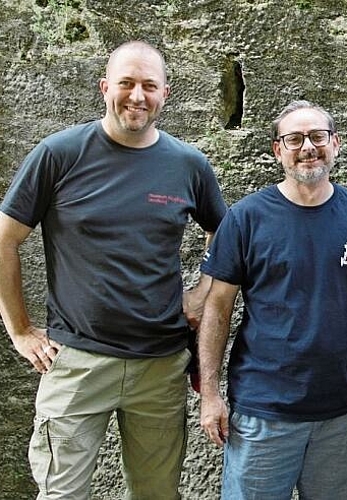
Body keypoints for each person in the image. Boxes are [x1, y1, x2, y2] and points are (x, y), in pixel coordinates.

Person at [0, 41, 227, 499]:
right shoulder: (59, 154)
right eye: (126, 83)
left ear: (165, 93)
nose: (137, 96)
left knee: (157, 494)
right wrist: (20, 330)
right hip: (77, 363)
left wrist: (201, 292)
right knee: (61, 494)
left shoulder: (188, 164)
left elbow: (222, 236)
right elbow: (5, 238)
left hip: (159, 366)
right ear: (106, 87)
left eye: (148, 86)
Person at [198, 100, 347, 499]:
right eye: (294, 139)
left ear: (336, 144)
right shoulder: (246, 218)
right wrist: (210, 394)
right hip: (263, 410)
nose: (307, 147)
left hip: (339, 412)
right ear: (278, 150)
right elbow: (217, 307)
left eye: (317, 136)